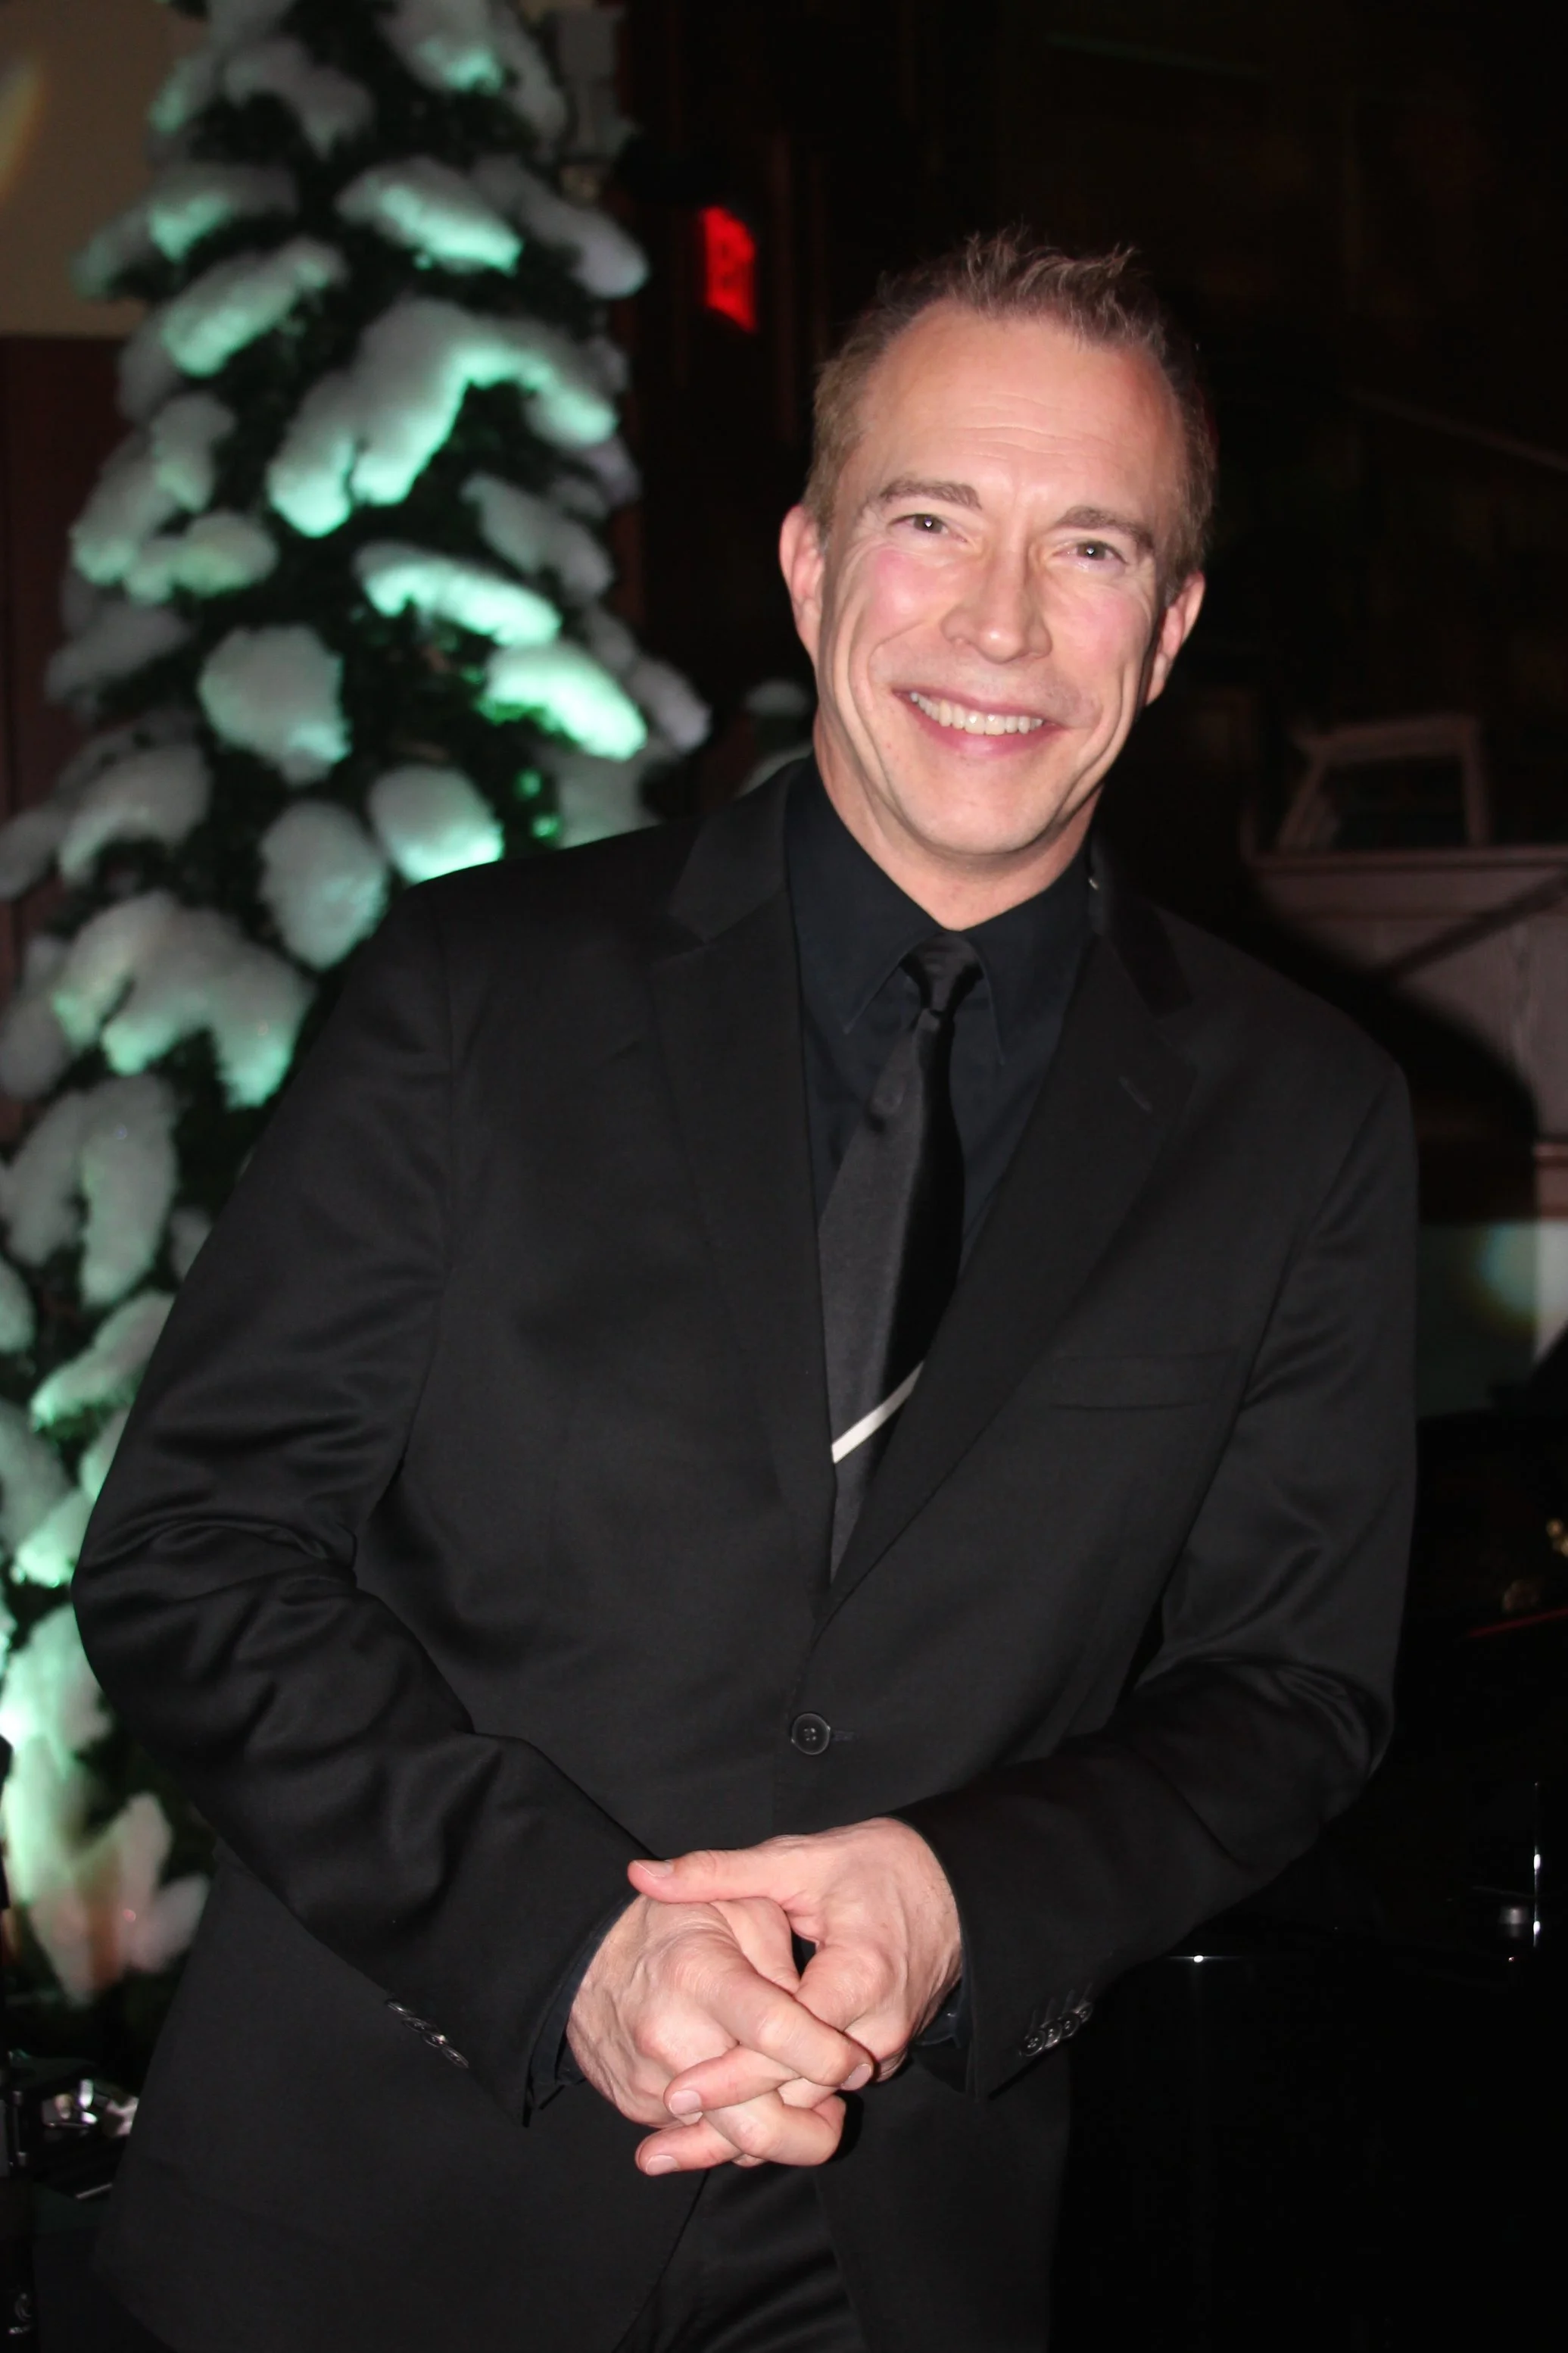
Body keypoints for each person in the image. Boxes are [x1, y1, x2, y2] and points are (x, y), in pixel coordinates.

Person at [73, 229, 1414, 2353]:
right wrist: (567, 1949)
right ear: (808, 564)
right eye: (929, 521)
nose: (998, 625)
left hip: (899, 2259)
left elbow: (1287, 1691)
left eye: (1086, 549)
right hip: (366, 2226)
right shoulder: (474, 995)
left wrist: (958, 1898)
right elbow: (196, 1552)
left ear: (1165, 632)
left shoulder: (1302, 1117)